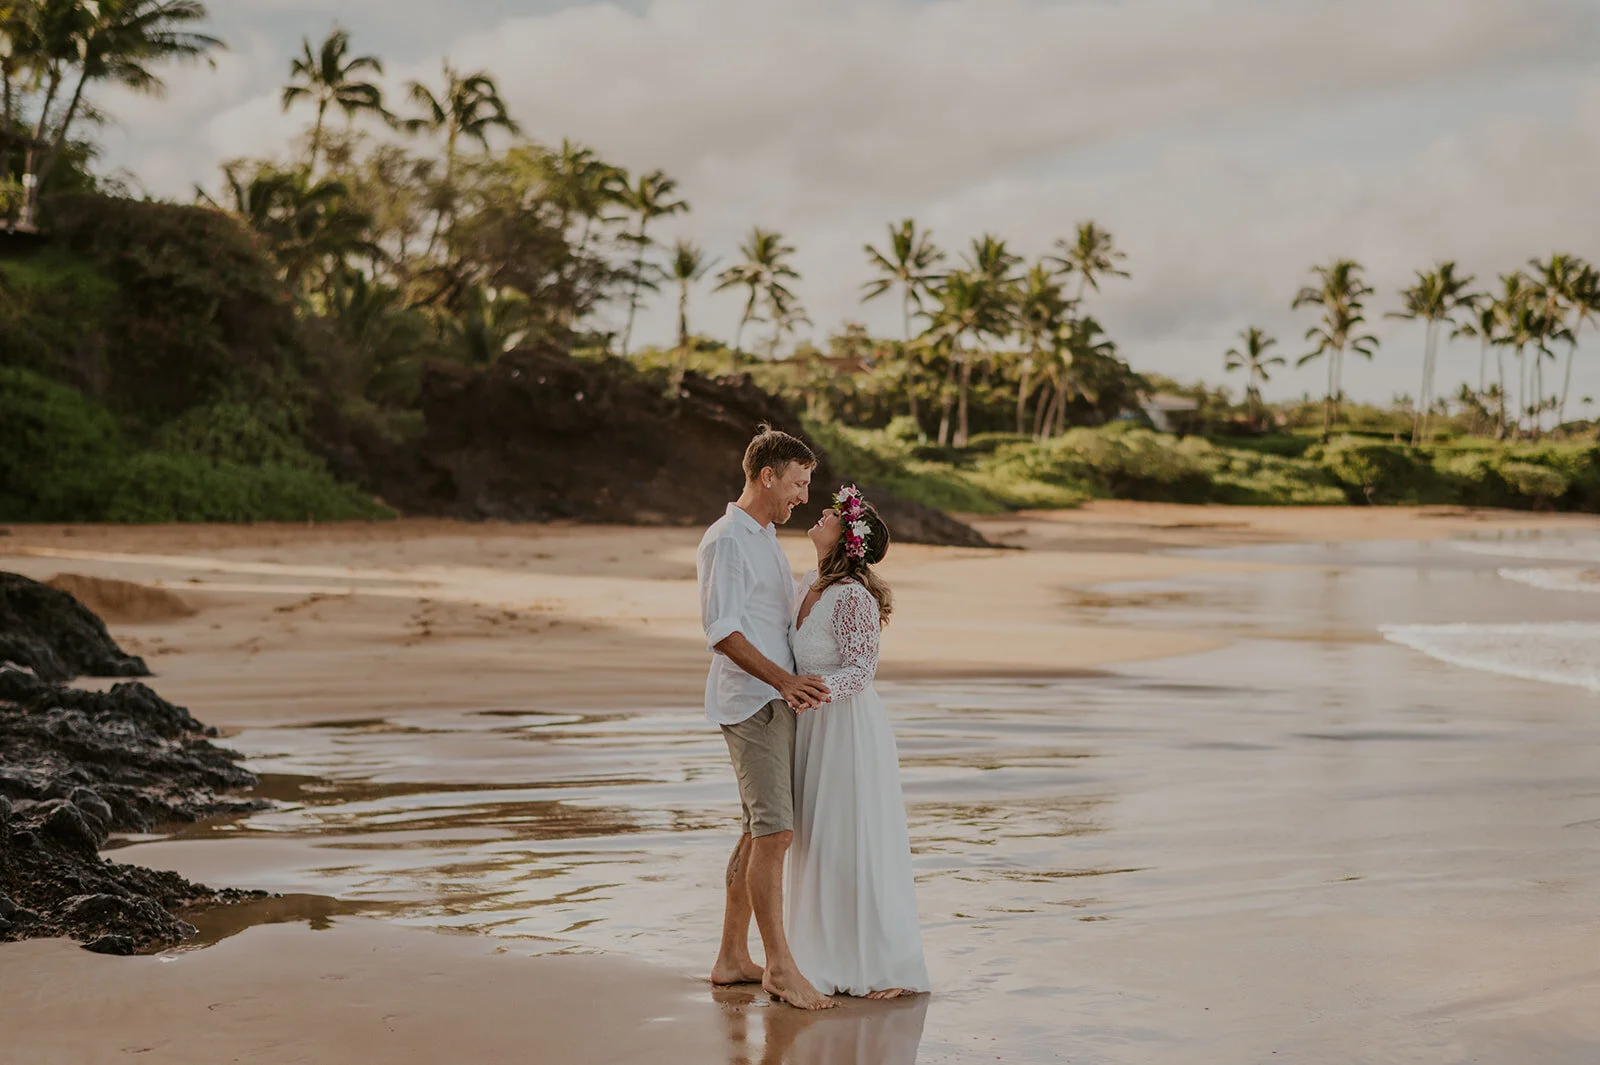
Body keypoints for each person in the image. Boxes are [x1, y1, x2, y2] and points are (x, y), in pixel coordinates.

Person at [699, 426, 837, 1011]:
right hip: (752, 701)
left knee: (760, 828)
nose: (803, 496)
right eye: (799, 483)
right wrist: (782, 682)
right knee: (776, 832)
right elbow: (722, 632)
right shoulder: (728, 540)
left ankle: (733, 957)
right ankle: (780, 968)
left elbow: (776, 624)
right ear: (768, 476)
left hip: (774, 701)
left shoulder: (764, 537)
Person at [786, 485, 930, 999]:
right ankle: (813, 949)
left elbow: (862, 670)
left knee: (849, 837)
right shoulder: (808, 582)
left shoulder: (852, 596)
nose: (818, 517)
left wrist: (817, 695)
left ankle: (879, 964)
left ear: (847, 538)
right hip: (810, 725)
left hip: (844, 727)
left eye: (828, 515)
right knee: (815, 838)